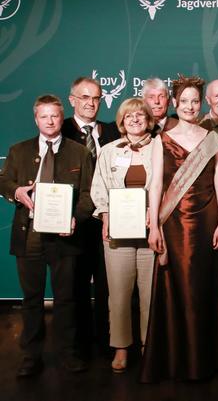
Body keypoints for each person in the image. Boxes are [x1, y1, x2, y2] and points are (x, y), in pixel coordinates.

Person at [142, 75, 218, 382]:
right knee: (178, 288)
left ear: (201, 104)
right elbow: (156, 185)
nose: (190, 106)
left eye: (195, 101)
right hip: (173, 225)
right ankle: (178, 359)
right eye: (184, 101)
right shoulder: (160, 140)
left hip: (208, 220)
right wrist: (154, 225)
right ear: (174, 104)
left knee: (206, 289)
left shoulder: (214, 138)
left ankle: (208, 358)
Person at [0, 94, 94, 376]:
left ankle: (68, 353)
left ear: (61, 115)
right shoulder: (19, 150)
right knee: (31, 300)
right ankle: (31, 357)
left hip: (66, 235)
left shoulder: (79, 152)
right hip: (29, 234)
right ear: (36, 119)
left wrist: (76, 218)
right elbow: (4, 179)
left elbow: (90, 194)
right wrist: (16, 191)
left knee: (66, 299)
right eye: (44, 116)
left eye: (55, 115)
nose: (50, 121)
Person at [90, 98, 156, 373]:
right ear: (121, 121)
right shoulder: (108, 151)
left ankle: (148, 345)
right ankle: (120, 347)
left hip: (152, 233)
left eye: (140, 115)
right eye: (129, 116)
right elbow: (99, 187)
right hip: (118, 233)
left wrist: (156, 213)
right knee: (118, 294)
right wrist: (105, 215)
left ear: (149, 119)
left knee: (150, 294)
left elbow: (169, 188)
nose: (135, 120)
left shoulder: (161, 148)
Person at [63, 76, 121, 357]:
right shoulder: (60, 130)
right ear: (72, 100)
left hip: (107, 220)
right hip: (74, 221)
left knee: (107, 283)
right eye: (85, 97)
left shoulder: (111, 131)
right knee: (76, 284)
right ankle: (80, 344)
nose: (91, 103)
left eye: (96, 98)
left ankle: (105, 339)